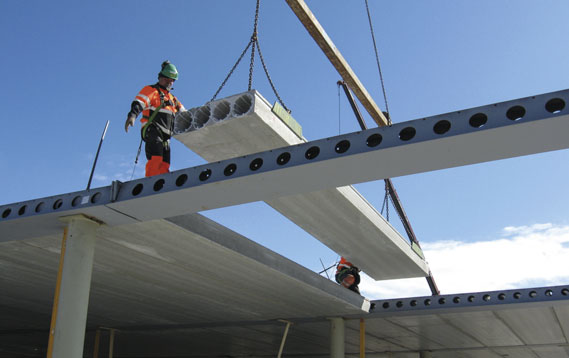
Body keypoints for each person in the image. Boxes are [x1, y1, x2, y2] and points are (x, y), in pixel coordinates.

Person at [125, 61, 186, 177]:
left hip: (166, 137)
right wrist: (132, 115)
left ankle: (161, 187)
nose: (170, 82)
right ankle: (151, 183)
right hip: (153, 130)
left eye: (172, 80)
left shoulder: (173, 99)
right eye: (168, 79)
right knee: (156, 159)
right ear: (161, 77)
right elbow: (139, 102)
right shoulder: (152, 91)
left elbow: (186, 114)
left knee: (165, 164)